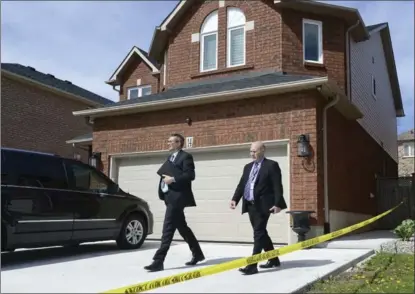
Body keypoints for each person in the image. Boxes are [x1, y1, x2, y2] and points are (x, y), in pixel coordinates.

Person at [144, 133, 205, 272]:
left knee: (168, 229)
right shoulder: (170, 157)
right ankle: (198, 254)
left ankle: (158, 261)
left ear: (179, 143)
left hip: (178, 198)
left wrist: (173, 179)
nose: (168, 143)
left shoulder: (186, 157)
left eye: (171, 141)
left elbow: (190, 175)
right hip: (169, 197)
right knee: (182, 227)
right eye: (168, 141)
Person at [230, 141, 287, 275]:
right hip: (250, 205)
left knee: (258, 233)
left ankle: (252, 265)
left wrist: (278, 203)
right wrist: (235, 199)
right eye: (250, 151)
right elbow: (242, 185)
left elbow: (277, 186)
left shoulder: (271, 165)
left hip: (264, 205)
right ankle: (274, 260)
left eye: (254, 151)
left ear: (262, 150)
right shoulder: (247, 167)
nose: (252, 154)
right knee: (261, 233)